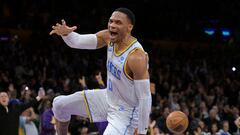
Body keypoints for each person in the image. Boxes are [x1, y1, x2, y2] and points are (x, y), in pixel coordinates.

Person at [50, 7, 152, 135]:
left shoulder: (136, 57)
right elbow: (78, 41)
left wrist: (142, 130)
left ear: (129, 27)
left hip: (126, 113)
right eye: (111, 21)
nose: (112, 25)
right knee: (59, 104)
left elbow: (145, 97)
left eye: (118, 23)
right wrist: (66, 34)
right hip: (107, 98)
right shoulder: (108, 37)